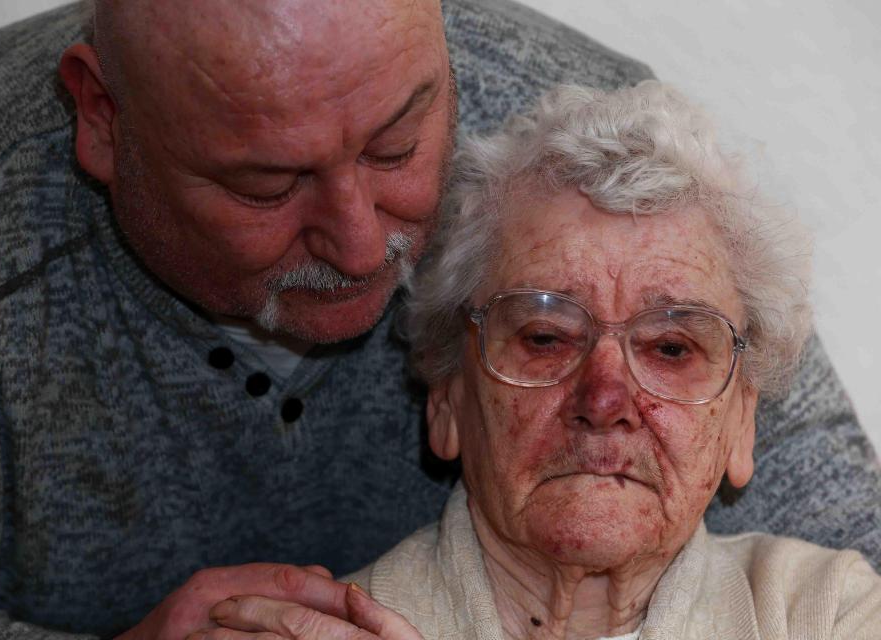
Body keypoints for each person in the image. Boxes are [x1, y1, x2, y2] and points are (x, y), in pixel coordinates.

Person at [0, 1, 877, 638]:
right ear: (101, 117)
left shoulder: (557, 165)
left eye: (397, 147)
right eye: (267, 182)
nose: (357, 242)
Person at [331, 81, 881, 640]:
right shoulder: (319, 628)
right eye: (545, 337)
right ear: (446, 396)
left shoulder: (831, 612)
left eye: (671, 348)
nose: (604, 401)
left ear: (742, 420)